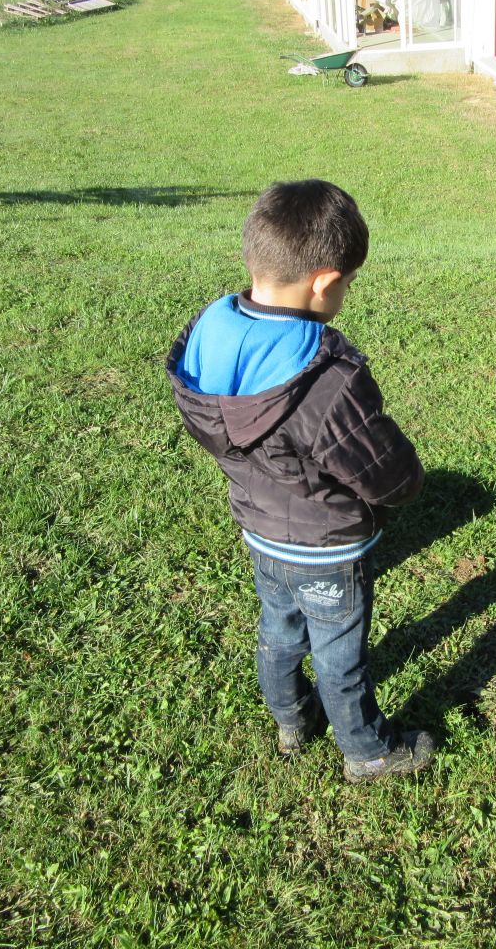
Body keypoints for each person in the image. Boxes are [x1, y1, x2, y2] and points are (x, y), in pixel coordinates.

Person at [164, 180, 434, 784]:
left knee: (278, 631)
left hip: (259, 529)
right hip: (329, 548)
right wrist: (409, 485)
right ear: (323, 280)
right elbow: (386, 472)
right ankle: (367, 752)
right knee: (340, 655)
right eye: (347, 282)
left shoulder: (210, 331)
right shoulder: (323, 378)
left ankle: (290, 718)